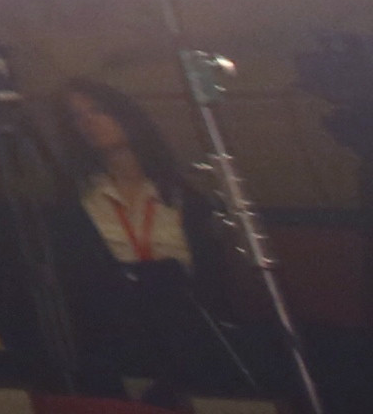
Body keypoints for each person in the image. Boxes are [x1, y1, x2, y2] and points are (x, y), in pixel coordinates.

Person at [43, 75, 260, 396]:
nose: (88, 122)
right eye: (77, 117)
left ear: (124, 113)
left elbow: (214, 280)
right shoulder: (77, 205)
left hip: (191, 349)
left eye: (97, 110)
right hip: (114, 353)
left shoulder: (183, 198)